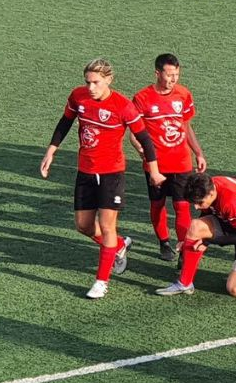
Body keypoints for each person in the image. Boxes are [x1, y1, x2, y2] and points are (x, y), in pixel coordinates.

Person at [39, 58, 165, 299]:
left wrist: (155, 171)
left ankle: (101, 281)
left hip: (111, 174)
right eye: (88, 82)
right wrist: (51, 151)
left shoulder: (123, 106)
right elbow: (65, 122)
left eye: (96, 82)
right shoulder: (78, 97)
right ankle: (120, 245)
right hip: (85, 171)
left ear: (109, 80)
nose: (91, 87)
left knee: (107, 226)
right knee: (83, 226)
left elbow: (145, 140)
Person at [131, 53, 207, 262]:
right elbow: (134, 133)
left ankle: (183, 248)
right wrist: (141, 150)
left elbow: (186, 126)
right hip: (156, 164)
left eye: (177, 75)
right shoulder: (142, 98)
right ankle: (164, 242)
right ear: (157, 73)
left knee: (182, 206)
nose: (173, 79)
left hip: (182, 162)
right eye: (169, 75)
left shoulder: (183, 94)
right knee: (158, 205)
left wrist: (198, 152)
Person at [157, 173, 236, 297]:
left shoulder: (231, 202)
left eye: (200, 202)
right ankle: (185, 283)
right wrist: (189, 240)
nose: (196, 207)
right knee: (196, 226)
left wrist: (207, 241)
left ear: (211, 194)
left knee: (235, 289)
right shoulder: (209, 186)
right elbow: (206, 215)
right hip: (229, 221)